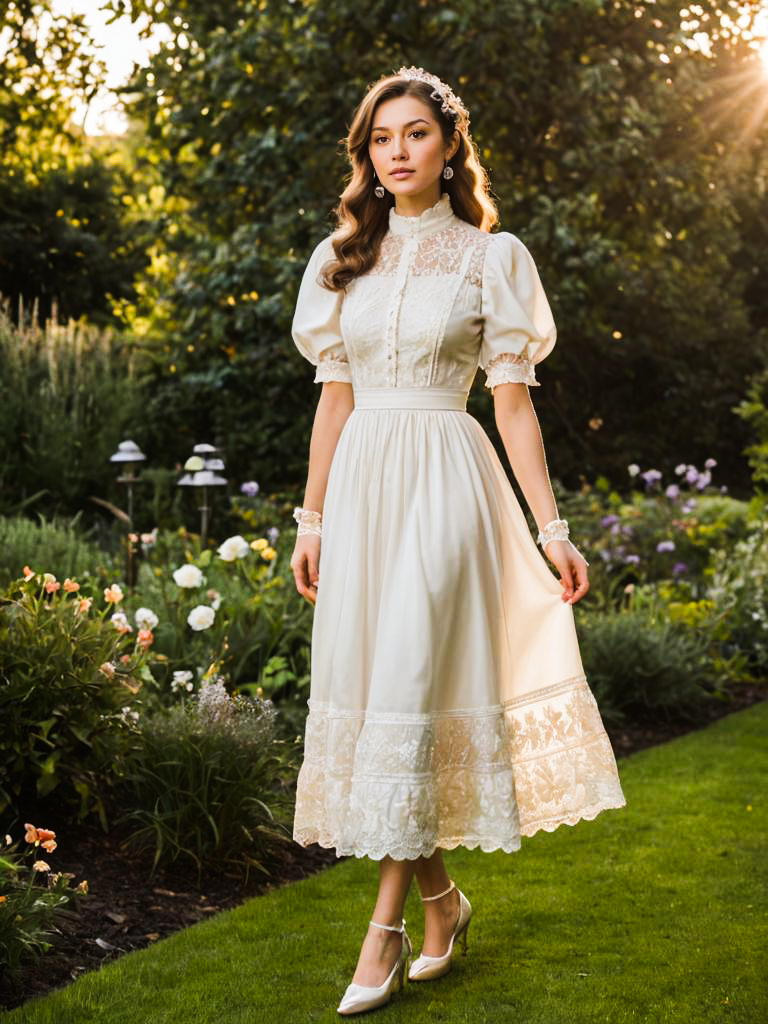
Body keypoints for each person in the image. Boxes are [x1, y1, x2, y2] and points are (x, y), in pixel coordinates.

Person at [289, 66, 625, 1016]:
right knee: (395, 704)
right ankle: (446, 904)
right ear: (368, 156)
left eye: (415, 136)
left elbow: (513, 410)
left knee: (407, 684)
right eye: (380, 140)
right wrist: (310, 522)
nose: (397, 153)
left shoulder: (493, 258)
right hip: (361, 491)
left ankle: (382, 933)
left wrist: (551, 529)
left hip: (447, 483)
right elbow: (333, 404)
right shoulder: (338, 260)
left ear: (449, 146)